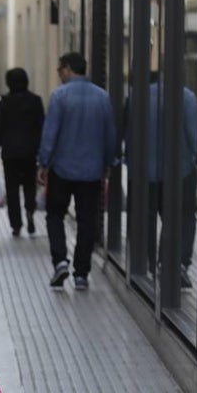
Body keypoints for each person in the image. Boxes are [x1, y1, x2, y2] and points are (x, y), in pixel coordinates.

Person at [39, 52, 117, 290]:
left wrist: (44, 163)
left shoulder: (60, 96)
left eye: (60, 69)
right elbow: (109, 135)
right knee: (86, 220)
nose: (59, 74)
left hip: (62, 169)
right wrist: (107, 163)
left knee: (55, 215)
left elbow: (50, 134)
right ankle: (81, 273)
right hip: (92, 171)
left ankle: (60, 261)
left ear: (69, 69)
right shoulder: (102, 97)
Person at [141, 73, 197, 288]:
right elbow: (195, 138)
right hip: (180, 173)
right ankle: (176, 264)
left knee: (147, 217)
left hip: (146, 172)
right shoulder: (187, 98)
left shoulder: (141, 95)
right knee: (182, 218)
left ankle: (146, 263)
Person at [0, 68, 45, 237]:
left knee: (12, 189)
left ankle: (16, 224)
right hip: (30, 153)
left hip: (10, 154)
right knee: (29, 186)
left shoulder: (4, 103)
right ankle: (29, 211)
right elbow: (42, 128)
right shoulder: (35, 101)